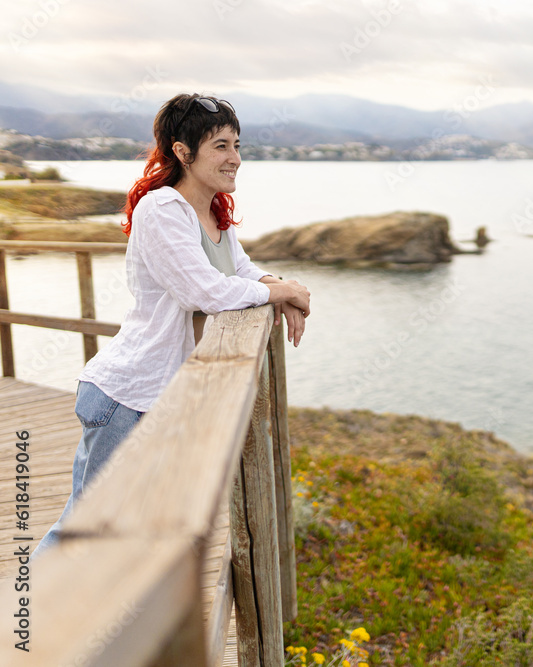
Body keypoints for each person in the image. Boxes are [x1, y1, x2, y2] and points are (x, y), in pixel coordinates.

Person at [31, 93, 311, 558]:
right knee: (82, 534)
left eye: (237, 145)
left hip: (165, 401)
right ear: (182, 152)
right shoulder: (162, 209)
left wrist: (283, 287)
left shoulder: (215, 211)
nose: (235, 159)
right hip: (127, 397)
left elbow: (241, 273)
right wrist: (283, 293)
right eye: (220, 146)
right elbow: (204, 292)